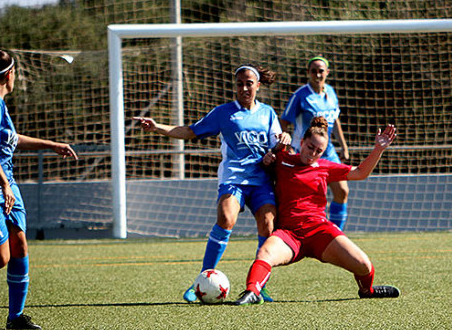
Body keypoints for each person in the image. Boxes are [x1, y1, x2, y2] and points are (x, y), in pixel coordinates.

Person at [133, 64, 291, 303]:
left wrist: (281, 145)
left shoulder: (268, 113)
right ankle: (201, 280)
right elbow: (189, 131)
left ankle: (260, 286)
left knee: (268, 225)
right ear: (235, 87)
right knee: (226, 218)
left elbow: (277, 147)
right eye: (240, 83)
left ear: (258, 86)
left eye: (249, 83)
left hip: (261, 180)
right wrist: (158, 128)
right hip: (234, 178)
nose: (245, 88)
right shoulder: (223, 113)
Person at [0, 35, 78, 329]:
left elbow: (11, 140)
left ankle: (16, 317)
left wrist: (52, 145)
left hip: (4, 185)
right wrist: (4, 185)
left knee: (20, 244)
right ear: (10, 75)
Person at [234, 116, 400, 305]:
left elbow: (361, 173)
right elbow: (266, 159)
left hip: (320, 232)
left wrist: (378, 149)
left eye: (319, 151)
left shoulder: (325, 167)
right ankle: (252, 292)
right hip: (290, 234)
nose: (313, 153)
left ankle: (367, 291)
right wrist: (271, 153)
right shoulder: (283, 160)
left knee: (364, 265)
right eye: (310, 147)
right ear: (302, 142)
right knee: (264, 254)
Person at [280, 56, 350, 230]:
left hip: (328, 151)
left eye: (321, 71)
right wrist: (286, 146)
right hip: (305, 151)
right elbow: (284, 123)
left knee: (342, 191)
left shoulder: (331, 93)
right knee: (310, 196)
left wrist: (343, 145)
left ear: (327, 72)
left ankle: (335, 232)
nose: (317, 74)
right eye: (313, 71)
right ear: (308, 73)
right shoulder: (300, 95)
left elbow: (335, 120)